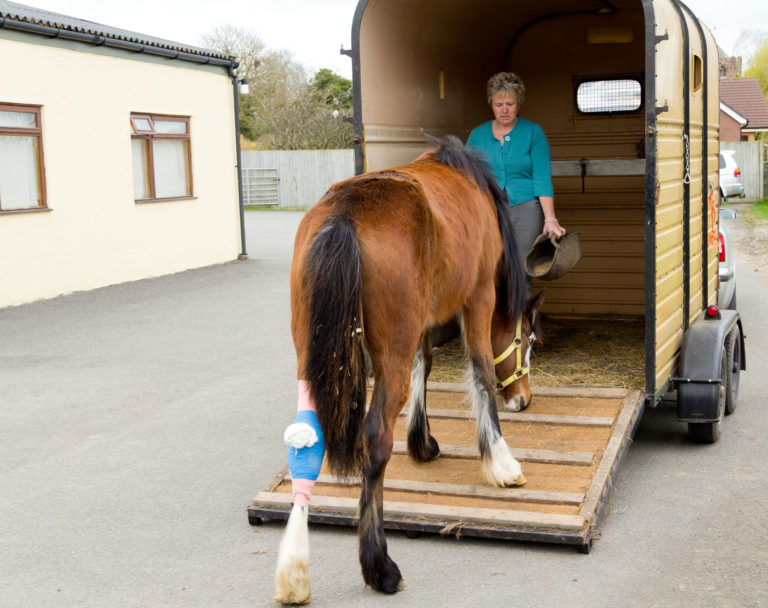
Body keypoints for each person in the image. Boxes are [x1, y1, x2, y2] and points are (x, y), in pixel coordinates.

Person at [467, 72, 566, 294]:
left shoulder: (533, 133)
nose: (504, 109)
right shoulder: (477, 135)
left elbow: (542, 178)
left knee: (521, 272)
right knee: (487, 271)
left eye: (509, 104)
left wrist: (550, 219)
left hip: (524, 209)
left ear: (518, 103)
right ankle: (493, 326)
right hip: (487, 209)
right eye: (498, 104)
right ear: (491, 104)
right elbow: (467, 179)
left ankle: (521, 327)